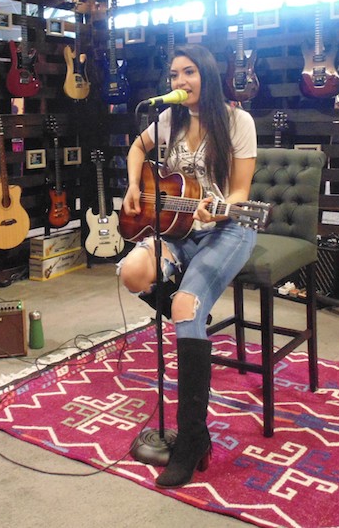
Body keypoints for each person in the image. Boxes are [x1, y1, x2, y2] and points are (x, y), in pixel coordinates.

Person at [119, 43, 257, 488]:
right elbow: (136, 149)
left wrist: (217, 210)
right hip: (175, 230)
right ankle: (191, 316)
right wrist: (133, 187)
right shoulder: (167, 119)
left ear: (207, 74)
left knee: (183, 306)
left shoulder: (237, 122)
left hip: (226, 229)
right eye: (174, 75)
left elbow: (240, 193)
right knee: (132, 272)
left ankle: (193, 438)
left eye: (189, 72)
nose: (180, 81)